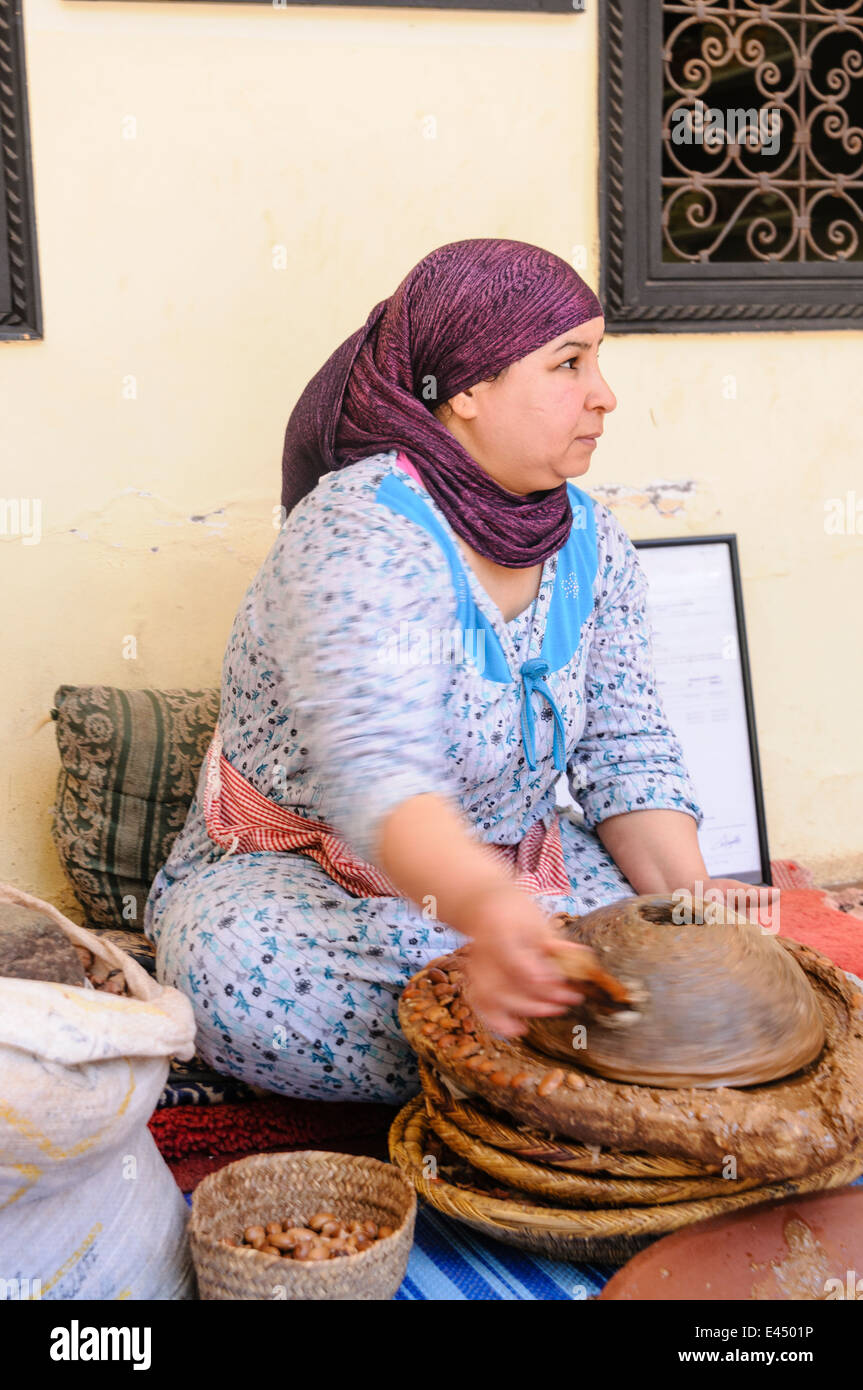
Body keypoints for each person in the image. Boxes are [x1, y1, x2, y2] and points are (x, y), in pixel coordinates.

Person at [144, 237, 758, 1106]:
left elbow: (626, 750)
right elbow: (377, 778)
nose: (604, 395)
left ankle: (518, 1050)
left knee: (659, 958)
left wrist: (700, 923)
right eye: (568, 363)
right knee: (239, 973)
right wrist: (496, 920)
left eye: (598, 360)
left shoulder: (590, 540)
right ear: (465, 389)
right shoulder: (360, 531)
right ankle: (552, 1064)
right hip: (314, 883)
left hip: (515, 865)